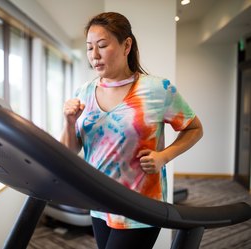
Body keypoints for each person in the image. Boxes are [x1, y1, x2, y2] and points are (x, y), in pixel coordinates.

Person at [60, 12, 203, 249]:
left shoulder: (158, 89)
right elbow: (68, 151)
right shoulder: (83, 92)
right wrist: (68, 121)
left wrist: (163, 156)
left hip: (140, 207)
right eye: (89, 48)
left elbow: (194, 128)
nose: (94, 56)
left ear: (127, 45)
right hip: (99, 204)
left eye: (102, 46)